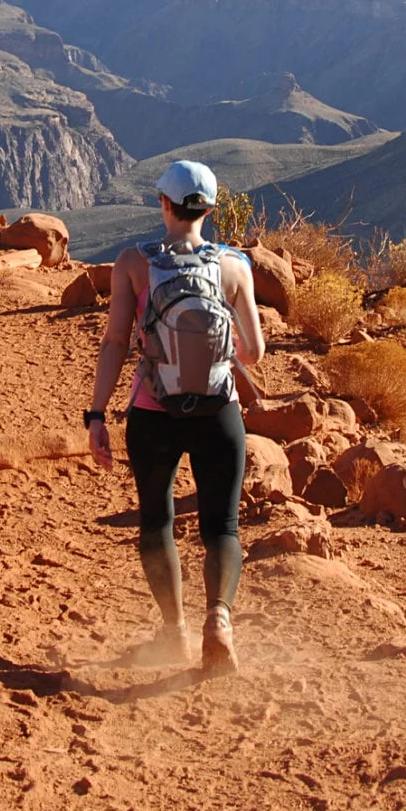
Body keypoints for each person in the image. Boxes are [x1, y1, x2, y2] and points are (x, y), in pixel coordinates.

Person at [84, 159, 265, 674]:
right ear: (209, 208)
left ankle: (174, 634)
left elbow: (116, 342)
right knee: (222, 528)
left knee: (157, 520)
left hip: (152, 412)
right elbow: (253, 351)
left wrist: (97, 415)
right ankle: (219, 621)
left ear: (163, 204)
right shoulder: (235, 267)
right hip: (218, 413)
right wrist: (215, 347)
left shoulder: (132, 265)